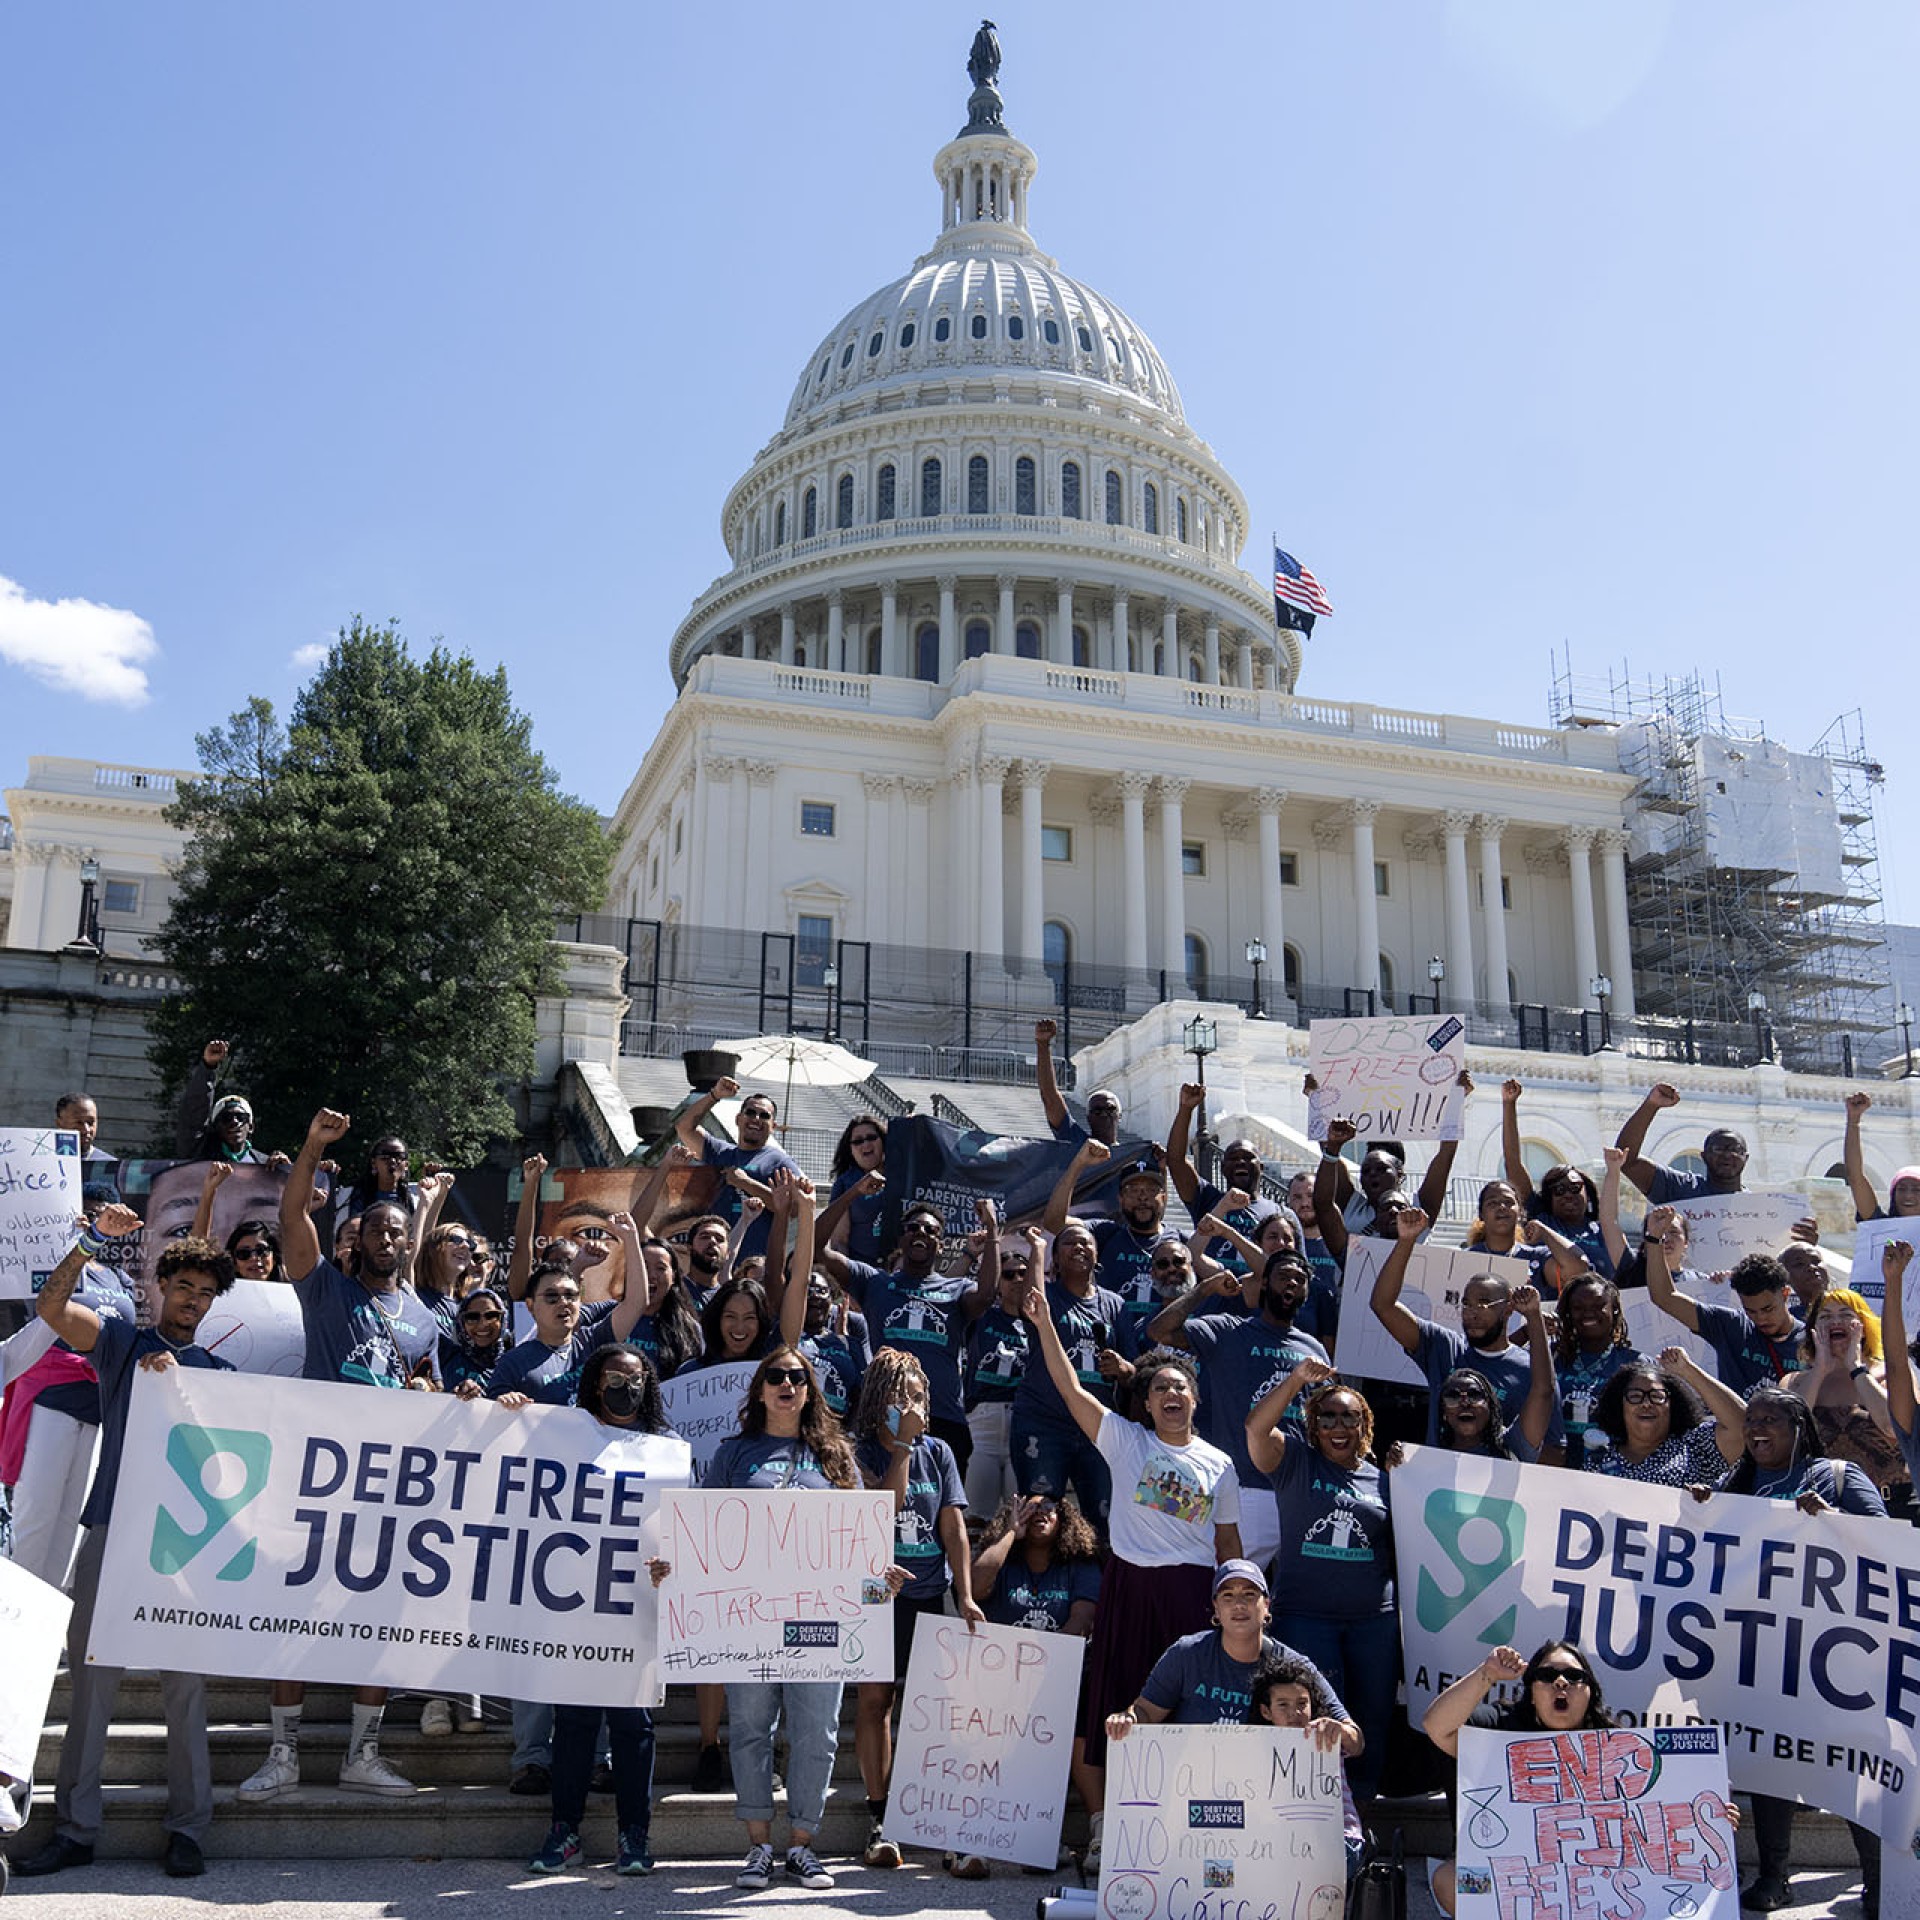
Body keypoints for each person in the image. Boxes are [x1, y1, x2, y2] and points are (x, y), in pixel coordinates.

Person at [12, 1206, 235, 1881]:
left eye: (206, 1293)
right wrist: (90, 1244)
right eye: (185, 1288)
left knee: (185, 1689)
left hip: (183, 1545)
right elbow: (53, 1307)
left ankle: (188, 1830)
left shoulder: (225, 1374)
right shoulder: (120, 1343)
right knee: (91, 1685)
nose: (194, 1301)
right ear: (162, 1288)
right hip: (111, 1528)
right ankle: (77, 1828)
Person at [237, 1106, 440, 1803]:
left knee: (378, 1619)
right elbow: (293, 1218)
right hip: (318, 1479)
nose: (387, 1235)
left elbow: (432, 1394)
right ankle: (282, 1752)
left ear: (410, 1243)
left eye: (398, 1229)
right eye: (376, 1226)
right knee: (296, 1612)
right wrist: (312, 1143)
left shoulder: (423, 1317)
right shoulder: (326, 1290)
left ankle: (363, 1752)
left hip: (387, 1488)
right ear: (359, 1239)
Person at [1021, 1267, 1241, 1867]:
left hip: (1192, 1595)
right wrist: (1044, 1327)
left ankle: (1179, 1829)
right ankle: (1103, 1828)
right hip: (1130, 1586)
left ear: (1195, 1398)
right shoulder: (1124, 1441)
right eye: (1160, 1388)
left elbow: (1228, 1545)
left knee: (1183, 1711)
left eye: (1181, 1387)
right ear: (1146, 1402)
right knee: (1114, 1704)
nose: (1172, 1395)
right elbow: (1070, 1390)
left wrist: (1241, 1612)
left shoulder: (1220, 1464)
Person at [705, 1332, 886, 1892]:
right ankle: (758, 1846)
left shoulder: (837, 1457)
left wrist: (881, 1589)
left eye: (797, 1377)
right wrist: (677, 1571)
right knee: (753, 1729)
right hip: (750, 1617)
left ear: (811, 1391)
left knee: (817, 1732)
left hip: (821, 1621)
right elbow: (704, 1533)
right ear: (759, 1391)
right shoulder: (733, 1454)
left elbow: (863, 1544)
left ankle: (803, 1846)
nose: (787, 1384)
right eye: (777, 1377)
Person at [1716, 1388, 1885, 1915]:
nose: (1756, 1429)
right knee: (1772, 1763)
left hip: (1837, 1653)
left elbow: (1887, 1542)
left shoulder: (1835, 1476)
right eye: (1750, 1422)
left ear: (1798, 1427)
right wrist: (1700, 1509)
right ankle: (1774, 1874)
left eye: (1769, 1419)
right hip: (1765, 1650)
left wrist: (1834, 1518)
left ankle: (1878, 1879)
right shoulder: (1737, 1484)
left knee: (1853, 1764)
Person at [526, 1342, 673, 1878]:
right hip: (576, 1603)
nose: (624, 1386)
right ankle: (564, 1831)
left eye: (635, 1379)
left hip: (638, 1607)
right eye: (613, 1376)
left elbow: (680, 1526)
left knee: (634, 1727)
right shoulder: (566, 1437)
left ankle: (635, 1835)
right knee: (574, 1724)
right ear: (594, 1382)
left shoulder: (668, 1448)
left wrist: (670, 1562)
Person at [850, 1349, 979, 1870]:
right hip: (878, 1595)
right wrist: (901, 1445)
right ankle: (879, 1815)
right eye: (902, 1396)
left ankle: (940, 1818)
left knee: (934, 1713)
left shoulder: (941, 1451)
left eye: (919, 1396)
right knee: (876, 1701)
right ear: (879, 1399)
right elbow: (883, 1512)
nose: (913, 1404)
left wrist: (966, 1594)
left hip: (929, 1593)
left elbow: (954, 1527)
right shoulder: (857, 1451)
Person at [1244, 1367, 1394, 1800]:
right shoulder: (1292, 1460)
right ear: (1313, 1424)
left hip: (1372, 1622)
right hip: (1306, 1618)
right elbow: (1256, 1427)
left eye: (1349, 1417)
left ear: (1364, 1425)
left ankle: (1361, 1815)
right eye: (1327, 1417)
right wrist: (1294, 1380)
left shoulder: (1384, 1478)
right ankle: (1314, 1810)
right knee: (1312, 1718)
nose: (1338, 1427)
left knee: (1371, 1719)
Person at [1146, 1246, 1328, 1571]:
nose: (1290, 1284)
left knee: (1283, 1597)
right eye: (1283, 1276)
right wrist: (1206, 1287)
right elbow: (1160, 1330)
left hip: (1295, 1493)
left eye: (1299, 1280)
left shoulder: (1312, 1348)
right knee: (1223, 1585)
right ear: (1263, 1284)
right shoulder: (1228, 1330)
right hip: (1239, 1488)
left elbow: (1322, 1422)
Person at [1423, 1643, 1620, 1917]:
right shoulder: (1499, 1729)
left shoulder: (1618, 1747)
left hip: (1587, 1881)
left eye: (1574, 1677)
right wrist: (1487, 1674)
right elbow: (1437, 1726)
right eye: (1547, 1676)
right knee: (1449, 1880)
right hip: (1505, 1877)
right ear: (1531, 1694)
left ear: (1589, 1692)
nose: (1561, 1682)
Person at [1370, 1207, 1563, 1454]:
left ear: (1507, 1310)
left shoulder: (1532, 1371)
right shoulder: (1444, 1347)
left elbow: (1552, 1447)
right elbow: (1383, 1305)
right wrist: (1406, 1241)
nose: (1471, 1312)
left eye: (1483, 1303)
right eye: (1466, 1304)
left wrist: (1533, 1317)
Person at [1105, 1559, 1357, 1746]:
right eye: (1228, 1596)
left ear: (1266, 1606)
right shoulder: (1186, 1654)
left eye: (1249, 1595)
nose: (1239, 1605)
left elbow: (1356, 1741)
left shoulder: (1294, 1665)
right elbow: (1146, 1712)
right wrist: (1126, 1719)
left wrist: (1337, 1731)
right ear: (1216, 1608)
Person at [820, 1201, 990, 1474]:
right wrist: (853, 1194)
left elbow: (986, 1295)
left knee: (940, 1509)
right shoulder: (874, 1283)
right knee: (881, 1504)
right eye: (913, 1228)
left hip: (943, 1418)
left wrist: (992, 1230)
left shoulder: (957, 1290)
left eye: (930, 1230)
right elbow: (819, 1249)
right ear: (902, 1239)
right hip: (882, 1418)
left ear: (941, 1245)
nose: (921, 1232)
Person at [1008, 1216, 1134, 1520]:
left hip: (1096, 1428)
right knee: (1039, 1514)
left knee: (1103, 1517)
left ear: (1097, 1255)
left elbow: (1135, 1369)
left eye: (1086, 1242)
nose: (1079, 1246)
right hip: (1043, 1423)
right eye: (1069, 1242)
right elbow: (1031, 1302)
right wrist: (1037, 1249)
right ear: (1056, 1260)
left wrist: (1122, 1368)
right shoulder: (1048, 1296)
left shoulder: (1115, 1305)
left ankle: (1094, 1570)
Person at [486, 1219, 654, 1407]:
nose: (563, 1303)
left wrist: (630, 1238)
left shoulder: (592, 1343)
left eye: (570, 1296)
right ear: (531, 1305)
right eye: (551, 1297)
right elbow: (489, 1415)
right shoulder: (513, 1362)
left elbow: (637, 1302)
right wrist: (504, 1401)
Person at [1640, 1215, 1805, 1395]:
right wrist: (1654, 1239)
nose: (1761, 1318)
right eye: (1751, 1311)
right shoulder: (1731, 1326)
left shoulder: (1812, 1341)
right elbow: (1664, 1297)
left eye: (1768, 1309)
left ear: (1785, 1294)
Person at [1782, 1286, 1907, 1509]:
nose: (1835, 1321)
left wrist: (1856, 1368)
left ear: (1864, 1326)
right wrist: (1819, 1370)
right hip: (1817, 1504)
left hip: (1890, 1504)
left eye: (1846, 1315)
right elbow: (1787, 1436)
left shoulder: (1892, 1375)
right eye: (1826, 1317)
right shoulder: (1795, 1382)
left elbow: (1892, 1427)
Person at [1249, 1657, 1366, 1881]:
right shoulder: (1256, 1746)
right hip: (1276, 1841)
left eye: (1302, 1703)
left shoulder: (1326, 1735)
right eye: (1283, 1705)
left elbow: (1357, 1744)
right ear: (1266, 1712)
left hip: (1338, 1840)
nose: (1294, 1713)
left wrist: (1340, 1730)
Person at [1045, 1140, 1179, 1334]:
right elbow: (1053, 1222)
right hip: (1112, 1346)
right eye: (1132, 1190)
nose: (1142, 1197)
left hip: (1163, 1349)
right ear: (1120, 1199)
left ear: (1164, 1197)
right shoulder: (1105, 1234)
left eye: (1150, 1190)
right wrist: (1078, 1165)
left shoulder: (1179, 1242)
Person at [674, 1076, 801, 1264]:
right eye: (750, 1112)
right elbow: (684, 1128)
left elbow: (793, 1209)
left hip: (754, 1265)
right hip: (712, 1261)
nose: (756, 1119)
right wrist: (714, 1095)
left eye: (764, 1115)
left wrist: (746, 1183)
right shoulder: (719, 1151)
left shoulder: (779, 1161)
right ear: (738, 1119)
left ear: (773, 1127)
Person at [1579, 1350, 1747, 1485]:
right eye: (1635, 1396)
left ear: (1672, 1404)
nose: (1646, 1404)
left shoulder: (1695, 1445)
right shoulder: (1598, 1460)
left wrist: (1688, 1371)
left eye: (1657, 1396)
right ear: (1620, 1406)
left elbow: (1742, 1428)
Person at [1499, 1078, 1613, 1276]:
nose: (1568, 1195)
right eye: (1559, 1191)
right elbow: (1512, 1162)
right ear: (1548, 1198)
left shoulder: (1603, 1230)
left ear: (1587, 1192)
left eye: (1575, 1188)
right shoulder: (1542, 1220)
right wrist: (1509, 1104)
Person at [958, 1232, 1033, 1515]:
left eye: (1023, 1274)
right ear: (998, 1284)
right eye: (1009, 1275)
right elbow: (949, 1286)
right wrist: (970, 1254)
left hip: (1023, 1421)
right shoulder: (982, 1315)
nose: (1017, 1280)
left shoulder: (1040, 1321)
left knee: (1018, 1515)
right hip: (983, 1421)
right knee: (977, 1514)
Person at [1550, 1275, 1642, 1470]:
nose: (1588, 1313)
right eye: (1578, 1307)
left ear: (1614, 1309)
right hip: (1555, 1472)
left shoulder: (1636, 1363)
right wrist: (1529, 1330)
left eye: (1598, 1305)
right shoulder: (1549, 1355)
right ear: (1567, 1313)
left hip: (1614, 1473)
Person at [1612, 1083, 1746, 1202]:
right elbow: (1626, 1159)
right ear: (1704, 1157)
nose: (1728, 1155)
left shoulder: (1760, 1206)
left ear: (1746, 1158)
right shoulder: (1680, 1188)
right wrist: (1651, 1105)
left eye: (1736, 1149)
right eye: (1719, 1149)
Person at [174, 1039, 271, 1163]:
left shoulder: (265, 1165)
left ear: (251, 1127)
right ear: (216, 1127)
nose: (234, 1122)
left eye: (241, 1117)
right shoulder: (200, 1155)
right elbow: (193, 1116)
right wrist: (208, 1067)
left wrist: (284, 1169)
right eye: (226, 1118)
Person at [1036, 1018, 1120, 1147]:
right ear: (1088, 1118)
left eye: (1110, 1109)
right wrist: (1043, 1045)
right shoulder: (1077, 1142)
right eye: (1097, 1111)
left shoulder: (1133, 1156)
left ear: (1119, 1116)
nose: (1104, 1115)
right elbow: (1050, 1098)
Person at [1842, 1091, 1920, 1224]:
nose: (1908, 1196)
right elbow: (1855, 1177)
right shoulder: (1879, 1225)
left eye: (1917, 1190)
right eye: (1901, 1189)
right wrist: (1853, 1121)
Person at [821, 1114, 887, 1262]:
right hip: (863, 1270)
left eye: (871, 1138)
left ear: (883, 1141)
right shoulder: (845, 1184)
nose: (865, 1145)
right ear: (850, 1149)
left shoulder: (902, 1175)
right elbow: (839, 1241)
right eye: (858, 1141)